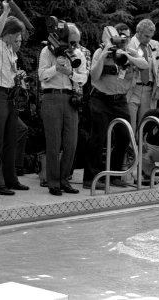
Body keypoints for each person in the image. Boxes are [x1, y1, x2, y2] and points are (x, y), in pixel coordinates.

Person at [83, 24, 148, 190]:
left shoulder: (130, 51)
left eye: (126, 37)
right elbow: (94, 76)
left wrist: (128, 56)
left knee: (124, 136)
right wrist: (104, 55)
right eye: (121, 36)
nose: (123, 39)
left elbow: (145, 65)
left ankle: (113, 174)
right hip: (101, 99)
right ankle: (91, 178)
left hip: (119, 101)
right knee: (98, 138)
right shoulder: (101, 52)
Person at [0, 1, 29, 196]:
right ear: (8, 33)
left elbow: (8, 71)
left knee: (13, 137)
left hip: (10, 96)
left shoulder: (10, 50)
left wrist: (19, 77)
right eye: (17, 36)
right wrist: (6, 12)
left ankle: (10, 179)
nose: (19, 40)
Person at [38, 23, 88, 196]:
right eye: (72, 42)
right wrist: (56, 68)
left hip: (70, 99)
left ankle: (64, 179)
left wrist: (70, 73)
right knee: (53, 143)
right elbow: (41, 75)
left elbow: (83, 78)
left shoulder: (78, 54)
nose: (75, 46)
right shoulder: (47, 51)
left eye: (77, 43)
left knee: (71, 143)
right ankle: (53, 182)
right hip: (51, 96)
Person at [127, 19, 159, 133]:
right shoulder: (128, 44)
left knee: (145, 125)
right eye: (146, 36)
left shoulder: (155, 44)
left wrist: (158, 87)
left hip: (149, 89)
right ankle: (129, 149)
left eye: (150, 37)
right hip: (132, 89)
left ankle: (141, 149)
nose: (148, 40)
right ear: (138, 32)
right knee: (129, 125)